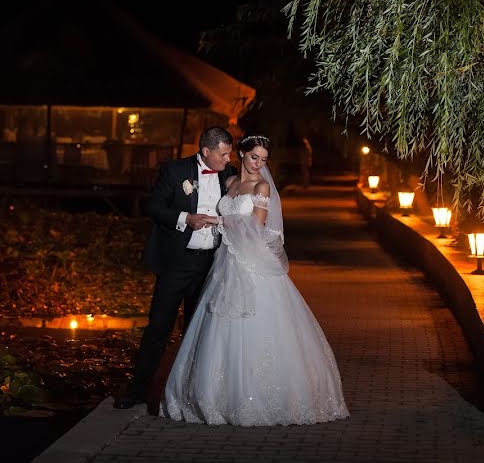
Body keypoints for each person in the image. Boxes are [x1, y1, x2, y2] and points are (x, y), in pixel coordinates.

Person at [160, 133, 349, 426]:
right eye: (254, 157)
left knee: (256, 325)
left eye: (263, 160)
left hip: (251, 263)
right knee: (218, 326)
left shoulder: (262, 187)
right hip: (225, 262)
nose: (259, 164)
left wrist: (218, 221)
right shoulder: (230, 183)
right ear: (241, 155)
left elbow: (256, 228)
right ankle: (215, 397)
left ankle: (259, 396)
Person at [113, 126, 235, 409]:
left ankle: (193, 394)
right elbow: (154, 207)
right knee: (158, 328)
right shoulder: (175, 171)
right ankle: (137, 391)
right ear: (206, 151)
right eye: (224, 154)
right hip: (176, 263)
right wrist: (185, 218)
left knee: (200, 331)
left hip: (210, 266)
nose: (228, 159)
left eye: (229, 153)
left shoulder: (230, 175)